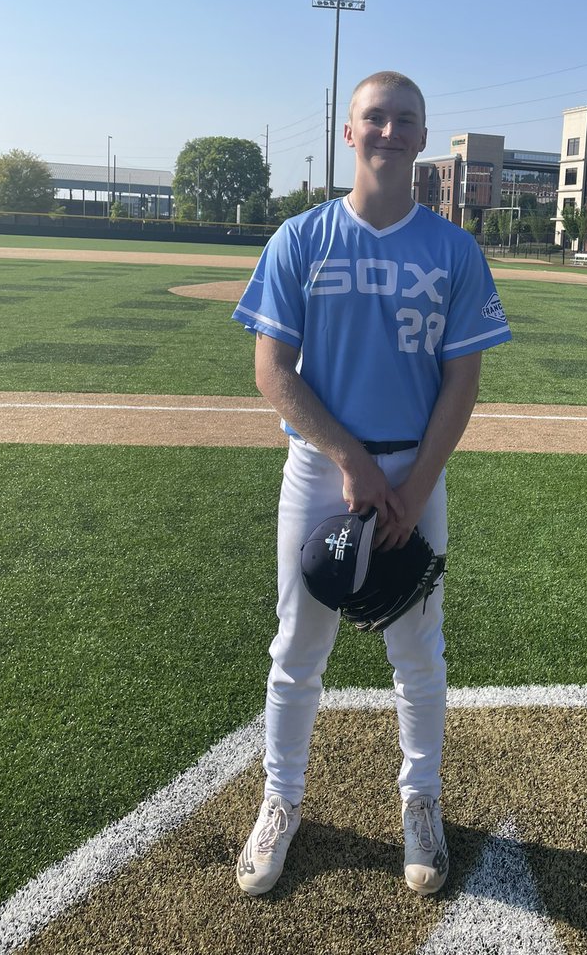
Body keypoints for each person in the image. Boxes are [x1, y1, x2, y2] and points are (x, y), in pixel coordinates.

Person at [231, 70, 511, 898]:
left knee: (418, 652)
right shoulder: (301, 238)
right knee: (297, 650)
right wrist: (351, 460)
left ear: (422, 138)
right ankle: (281, 800)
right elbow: (272, 372)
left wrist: (415, 488)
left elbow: (462, 382)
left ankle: (420, 801)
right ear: (349, 133)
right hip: (323, 469)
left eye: (405, 120)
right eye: (375, 118)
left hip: (416, 471)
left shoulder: (454, 251)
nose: (390, 131)